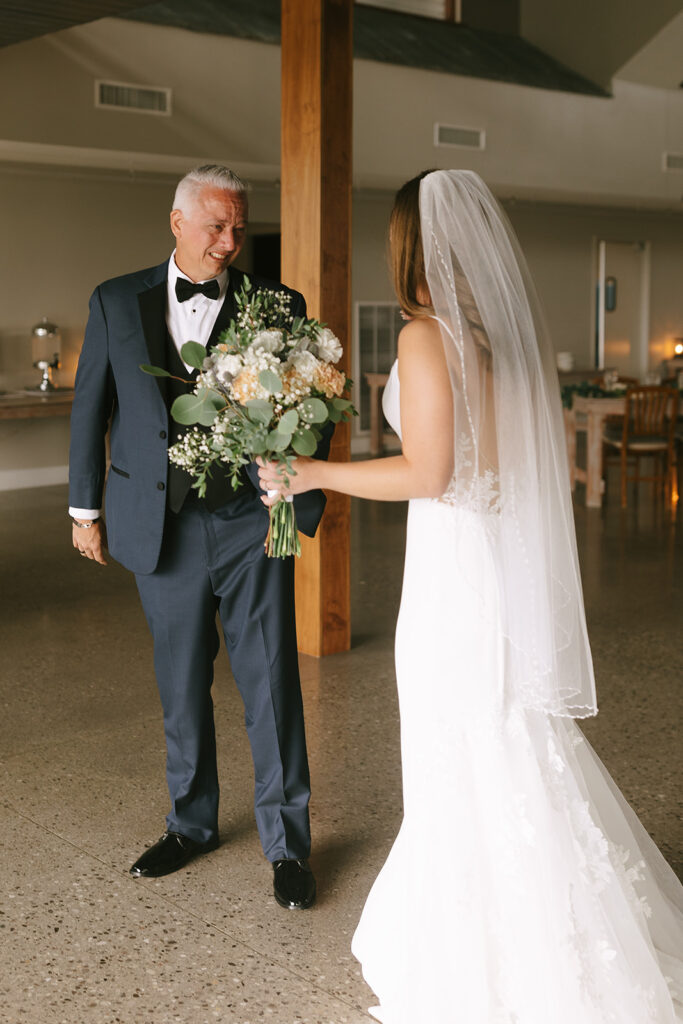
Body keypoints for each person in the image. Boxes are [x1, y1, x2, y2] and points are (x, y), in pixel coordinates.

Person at [258, 170, 683, 1019]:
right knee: (503, 736)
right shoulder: (493, 337)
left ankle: (487, 944)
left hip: (454, 575)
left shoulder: (425, 337)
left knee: (462, 739)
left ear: (406, 246)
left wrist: (310, 471)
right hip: (488, 562)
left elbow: (430, 472)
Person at [68, 164, 326, 910]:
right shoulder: (116, 300)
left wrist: (293, 508)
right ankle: (191, 824)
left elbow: (308, 410)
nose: (229, 240)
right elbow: (92, 407)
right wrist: (85, 511)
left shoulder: (276, 304)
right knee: (180, 684)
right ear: (176, 222)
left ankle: (289, 847)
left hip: (251, 521)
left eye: (238, 226)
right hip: (162, 527)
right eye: (216, 225)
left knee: (271, 684)